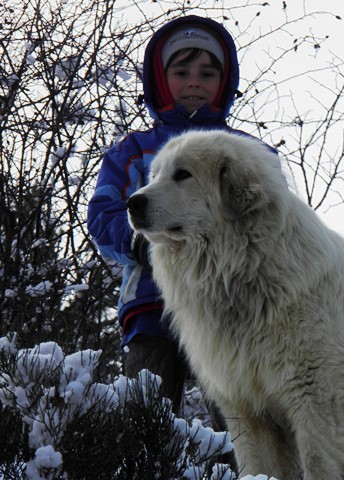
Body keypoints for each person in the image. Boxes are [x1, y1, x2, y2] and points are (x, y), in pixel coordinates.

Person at [87, 15, 273, 468]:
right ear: (161, 79)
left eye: (207, 74)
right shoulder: (132, 151)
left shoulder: (245, 152)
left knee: (241, 431)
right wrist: (142, 246)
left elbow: (275, 218)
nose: (195, 83)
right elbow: (103, 214)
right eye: (182, 72)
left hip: (235, 313)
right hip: (153, 309)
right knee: (144, 423)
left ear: (223, 81)